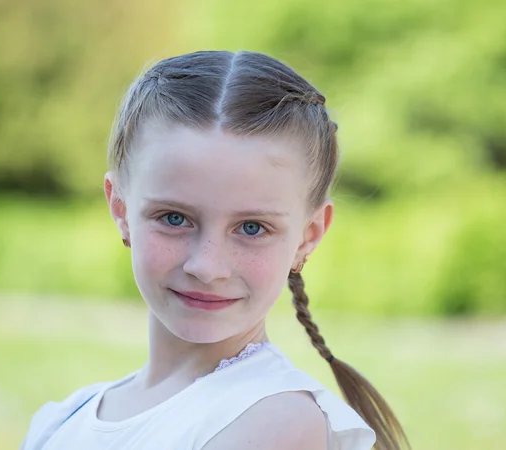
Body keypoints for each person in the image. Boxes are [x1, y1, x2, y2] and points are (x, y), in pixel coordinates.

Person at [20, 50, 410, 450]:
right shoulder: (63, 418)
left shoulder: (274, 422)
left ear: (307, 236)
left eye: (252, 228)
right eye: (174, 218)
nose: (207, 266)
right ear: (120, 209)